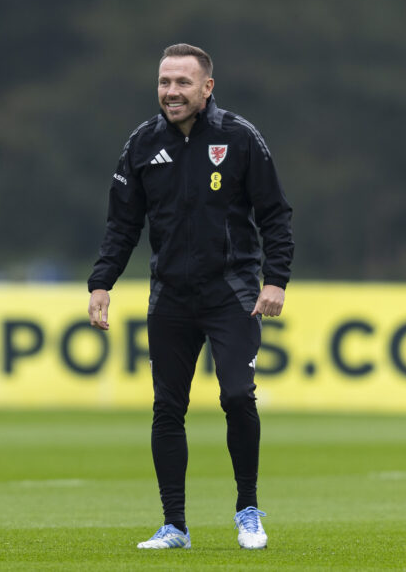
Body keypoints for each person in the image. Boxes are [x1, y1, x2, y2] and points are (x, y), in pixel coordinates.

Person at [86, 43, 293, 551]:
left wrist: (276, 279)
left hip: (232, 292)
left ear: (207, 88)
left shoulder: (239, 138)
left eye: (182, 83)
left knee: (238, 396)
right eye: (164, 83)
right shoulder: (141, 144)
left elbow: (275, 214)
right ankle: (174, 525)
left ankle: (248, 510)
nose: (171, 92)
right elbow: (122, 225)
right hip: (171, 297)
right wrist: (101, 283)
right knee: (167, 407)